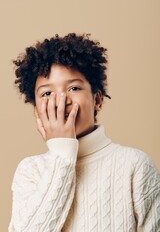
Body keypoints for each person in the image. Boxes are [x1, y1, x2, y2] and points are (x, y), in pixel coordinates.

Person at [9, 33, 160, 232]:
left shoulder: (135, 165)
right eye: (47, 93)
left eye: (73, 88)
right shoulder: (30, 170)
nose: (60, 100)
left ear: (97, 99)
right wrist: (62, 152)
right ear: (37, 109)